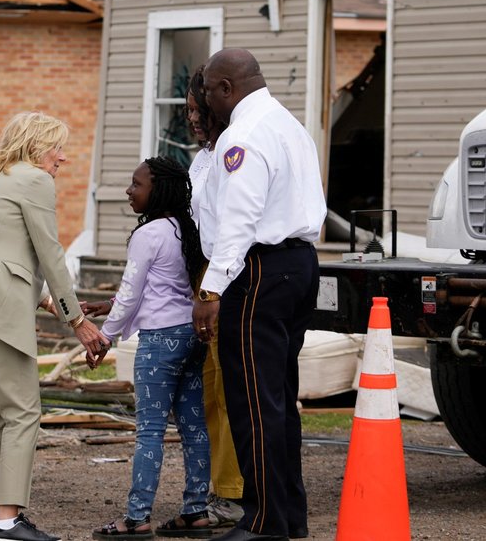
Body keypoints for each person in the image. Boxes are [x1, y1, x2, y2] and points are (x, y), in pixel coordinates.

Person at [0, 111, 108, 541]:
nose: (61, 158)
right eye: (56, 147)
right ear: (34, 144)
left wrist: (47, 300)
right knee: (25, 412)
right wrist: (78, 321)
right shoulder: (35, 180)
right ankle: (9, 520)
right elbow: (49, 253)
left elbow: (5, 246)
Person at [194, 49, 326, 541]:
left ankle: (264, 520)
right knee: (277, 398)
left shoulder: (242, 135)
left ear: (226, 88)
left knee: (253, 401)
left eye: (208, 92)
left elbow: (239, 219)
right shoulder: (289, 124)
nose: (206, 104)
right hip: (298, 265)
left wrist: (211, 288)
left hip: (258, 270)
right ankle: (289, 516)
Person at [85, 156, 220, 540]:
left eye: (136, 184)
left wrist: (105, 336)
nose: (129, 191)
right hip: (189, 336)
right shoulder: (185, 229)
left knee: (150, 431)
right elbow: (160, 287)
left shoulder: (148, 234)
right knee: (194, 427)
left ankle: (137, 517)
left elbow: (132, 294)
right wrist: (109, 305)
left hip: (159, 343)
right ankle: (195, 512)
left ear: (157, 190)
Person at [187, 69, 244, 527]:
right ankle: (215, 486)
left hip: (226, 280)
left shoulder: (233, 154)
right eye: (188, 111)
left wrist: (213, 288)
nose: (194, 120)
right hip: (203, 278)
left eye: (199, 110)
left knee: (228, 389)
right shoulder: (200, 161)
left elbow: (233, 228)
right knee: (209, 389)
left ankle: (233, 491)